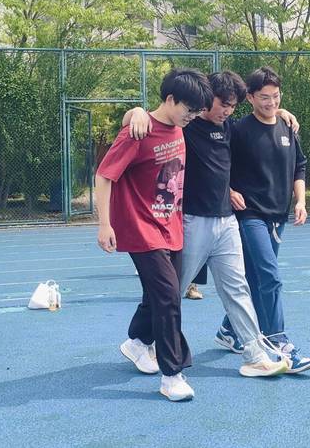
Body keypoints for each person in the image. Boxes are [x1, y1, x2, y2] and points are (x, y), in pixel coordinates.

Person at [124, 70, 298, 377]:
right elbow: (153, 117)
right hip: (193, 222)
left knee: (237, 287)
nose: (227, 111)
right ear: (207, 100)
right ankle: (139, 340)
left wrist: (281, 112)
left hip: (226, 222)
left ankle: (255, 354)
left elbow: (260, 120)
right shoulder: (186, 126)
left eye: (232, 106)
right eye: (223, 104)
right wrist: (135, 112)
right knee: (171, 291)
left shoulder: (229, 127)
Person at [95, 67, 213, 401]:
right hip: (141, 229)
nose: (192, 116)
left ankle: (136, 342)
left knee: (160, 294)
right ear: (171, 99)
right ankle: (172, 374)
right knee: (167, 298)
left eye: (197, 112)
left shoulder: (179, 127)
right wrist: (104, 224)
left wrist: (281, 113)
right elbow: (104, 175)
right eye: (189, 109)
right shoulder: (138, 131)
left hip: (171, 228)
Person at [224, 66, 310, 373]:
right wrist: (229, 191)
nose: (271, 102)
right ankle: (279, 342)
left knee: (255, 279)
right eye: (264, 97)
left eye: (276, 96)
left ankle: (228, 329)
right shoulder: (238, 130)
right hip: (249, 214)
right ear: (250, 98)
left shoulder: (288, 126)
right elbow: (218, 164)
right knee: (270, 276)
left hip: (278, 215)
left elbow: (299, 167)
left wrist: (301, 201)